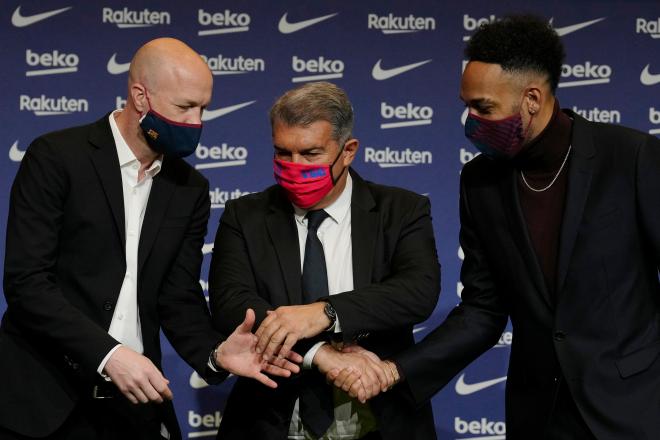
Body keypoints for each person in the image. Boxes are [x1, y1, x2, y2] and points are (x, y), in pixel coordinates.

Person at [329, 14, 660, 439]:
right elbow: (483, 311)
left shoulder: (631, 158)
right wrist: (395, 370)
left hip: (634, 411)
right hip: (538, 415)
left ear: (533, 99)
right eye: (466, 104)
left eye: (483, 107)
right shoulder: (480, 182)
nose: (470, 119)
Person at [0, 38, 300, 440]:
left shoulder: (190, 187)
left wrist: (214, 354)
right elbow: (28, 284)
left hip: (134, 406)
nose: (196, 123)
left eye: (203, 109)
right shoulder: (56, 157)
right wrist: (110, 355)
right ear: (140, 96)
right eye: (184, 108)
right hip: (45, 402)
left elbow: (176, 296)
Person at [208, 81, 440, 439]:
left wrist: (326, 312)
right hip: (269, 419)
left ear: (348, 151)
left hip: (378, 418)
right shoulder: (245, 216)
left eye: (310, 153)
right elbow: (231, 304)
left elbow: (416, 291)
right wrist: (319, 352)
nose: (293, 166)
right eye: (282, 153)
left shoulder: (401, 210)